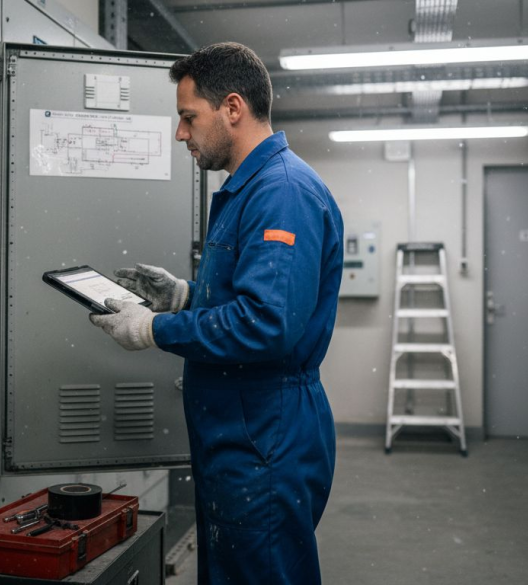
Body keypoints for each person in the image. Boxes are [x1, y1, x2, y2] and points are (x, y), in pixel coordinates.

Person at [90, 42, 343, 584]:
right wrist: (184, 297)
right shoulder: (247, 189)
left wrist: (152, 328)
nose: (181, 134)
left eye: (188, 118)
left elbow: (265, 325)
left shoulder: (282, 193)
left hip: (264, 434)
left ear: (232, 108)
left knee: (261, 572)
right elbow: (255, 299)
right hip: (241, 430)